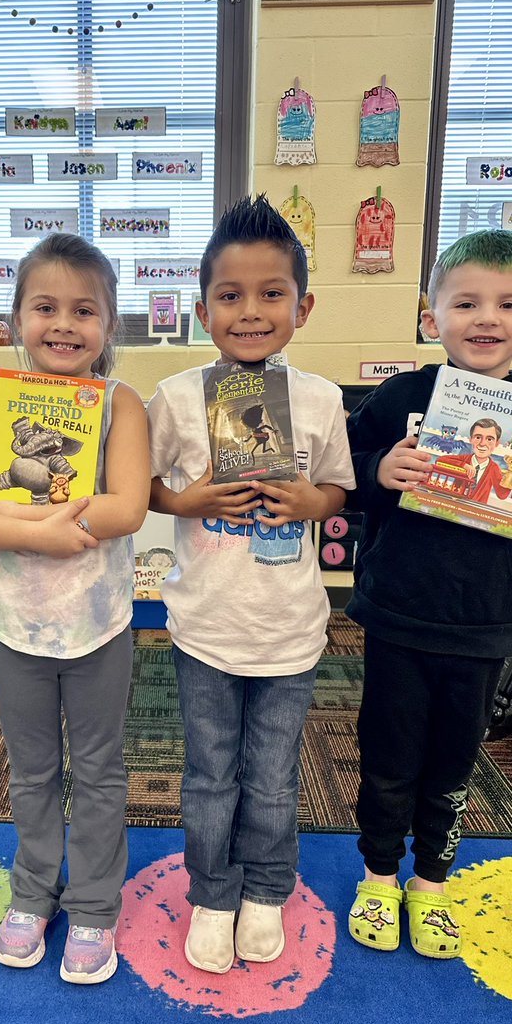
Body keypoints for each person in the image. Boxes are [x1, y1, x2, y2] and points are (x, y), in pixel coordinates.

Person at [345, 229, 512, 958]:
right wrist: (379, 470)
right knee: (386, 753)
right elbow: (346, 468)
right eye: (466, 302)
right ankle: (379, 876)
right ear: (430, 317)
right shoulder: (402, 396)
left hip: (484, 623)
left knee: (452, 762)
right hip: (397, 613)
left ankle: (432, 882)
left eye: (508, 304)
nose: (486, 318)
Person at [0, 232, 149, 985]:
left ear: (109, 325)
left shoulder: (121, 405)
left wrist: (62, 530)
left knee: (96, 769)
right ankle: (34, 892)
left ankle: (92, 903)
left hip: (100, 625)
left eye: (84, 310)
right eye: (44, 307)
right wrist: (42, 531)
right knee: (29, 770)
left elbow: (126, 505)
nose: (63, 324)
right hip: (15, 625)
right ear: (16, 318)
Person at [147, 195, 355, 973]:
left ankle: (267, 886)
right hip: (204, 622)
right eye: (229, 296)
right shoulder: (174, 397)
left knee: (271, 777)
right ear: (203, 309)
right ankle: (211, 890)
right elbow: (141, 490)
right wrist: (185, 499)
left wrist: (312, 502)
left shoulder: (320, 399)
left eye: (271, 294)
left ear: (301, 306)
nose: (250, 311)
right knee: (209, 775)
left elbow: (337, 488)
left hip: (289, 628)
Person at [433, 417, 512, 503]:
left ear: (496, 443)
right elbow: (440, 460)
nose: (482, 443)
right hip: (453, 503)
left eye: (489, 439)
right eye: (478, 437)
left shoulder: (494, 468)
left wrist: (510, 480)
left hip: (476, 510)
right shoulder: (464, 459)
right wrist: (463, 465)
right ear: (470, 440)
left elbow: (502, 495)